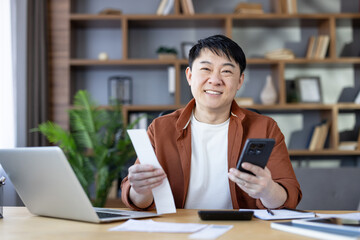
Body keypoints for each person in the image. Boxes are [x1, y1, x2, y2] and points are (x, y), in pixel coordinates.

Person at [121, 34, 302, 210]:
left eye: (226, 71)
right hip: (179, 230)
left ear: (240, 81)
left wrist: (268, 190)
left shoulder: (265, 128)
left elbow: (289, 196)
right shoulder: (160, 128)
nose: (215, 80)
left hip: (243, 230)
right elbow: (138, 201)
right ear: (190, 76)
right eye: (206, 69)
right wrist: (140, 190)